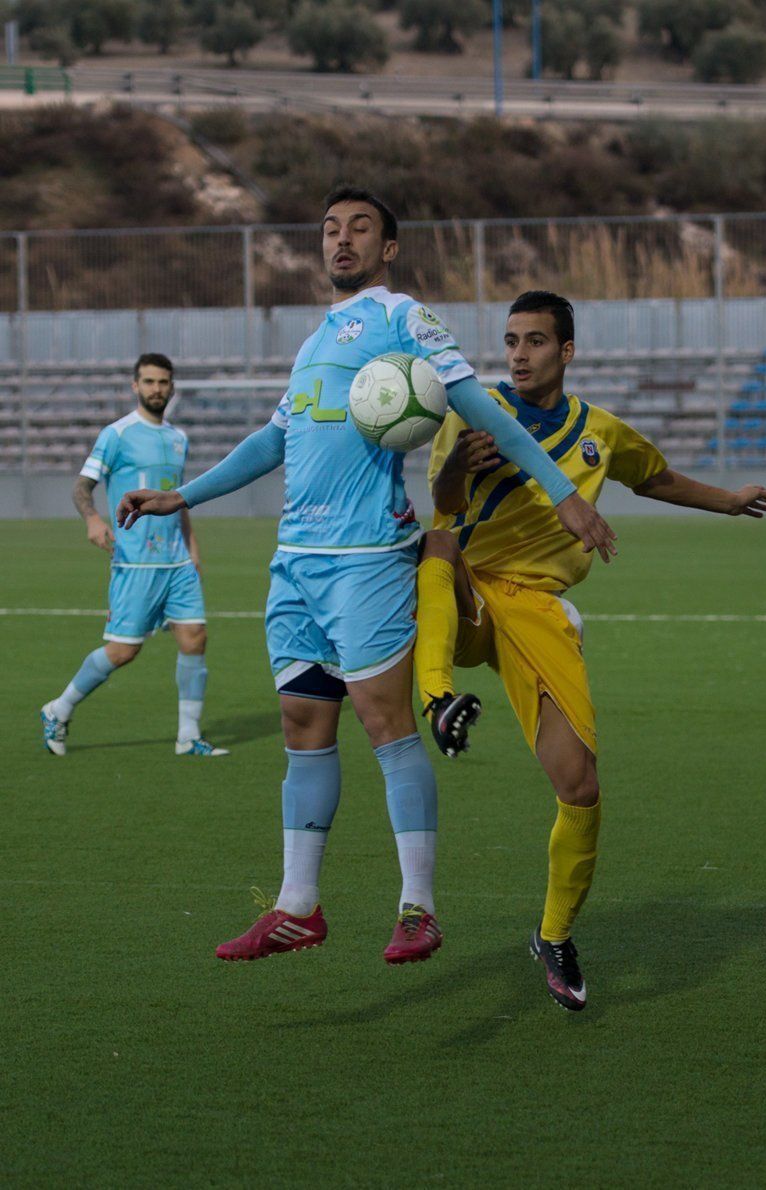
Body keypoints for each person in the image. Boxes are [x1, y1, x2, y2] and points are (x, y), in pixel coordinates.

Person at [116, 191, 616, 967]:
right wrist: (183, 494)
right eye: (329, 228)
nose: (340, 240)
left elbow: (482, 404)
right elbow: (272, 440)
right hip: (297, 563)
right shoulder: (317, 339)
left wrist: (559, 488)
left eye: (359, 229)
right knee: (302, 729)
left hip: (367, 560)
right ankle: (296, 907)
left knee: (386, 727)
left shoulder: (403, 319)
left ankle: (418, 907)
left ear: (389, 248)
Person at [414, 289, 766, 1009]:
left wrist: (728, 502)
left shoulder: (598, 433)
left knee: (579, 786)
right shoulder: (474, 410)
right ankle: (436, 695)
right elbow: (444, 500)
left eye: (535, 341)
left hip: (538, 613)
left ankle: (552, 933)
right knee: (435, 543)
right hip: (467, 589)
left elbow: (658, 477)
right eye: (511, 340)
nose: (518, 354)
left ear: (566, 351)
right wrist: (460, 466)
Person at [40, 354, 228, 759]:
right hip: (135, 561)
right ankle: (59, 708)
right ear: (135, 385)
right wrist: (92, 519)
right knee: (124, 651)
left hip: (177, 562)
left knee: (195, 637)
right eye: (148, 381)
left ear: (172, 386)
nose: (156, 389)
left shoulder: (179, 438)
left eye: (163, 382)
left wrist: (192, 549)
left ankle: (188, 736)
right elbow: (81, 487)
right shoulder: (117, 434)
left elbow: (177, 501)